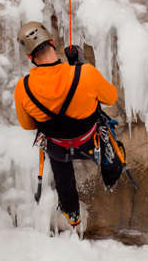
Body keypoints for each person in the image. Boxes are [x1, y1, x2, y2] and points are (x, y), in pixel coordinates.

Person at [14, 21, 123, 227]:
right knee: (107, 136)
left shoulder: (23, 87)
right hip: (91, 142)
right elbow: (111, 97)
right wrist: (79, 66)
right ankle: (111, 176)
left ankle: (72, 213)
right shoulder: (86, 74)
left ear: (30, 57)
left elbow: (28, 125)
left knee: (62, 172)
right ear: (53, 43)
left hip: (59, 148)